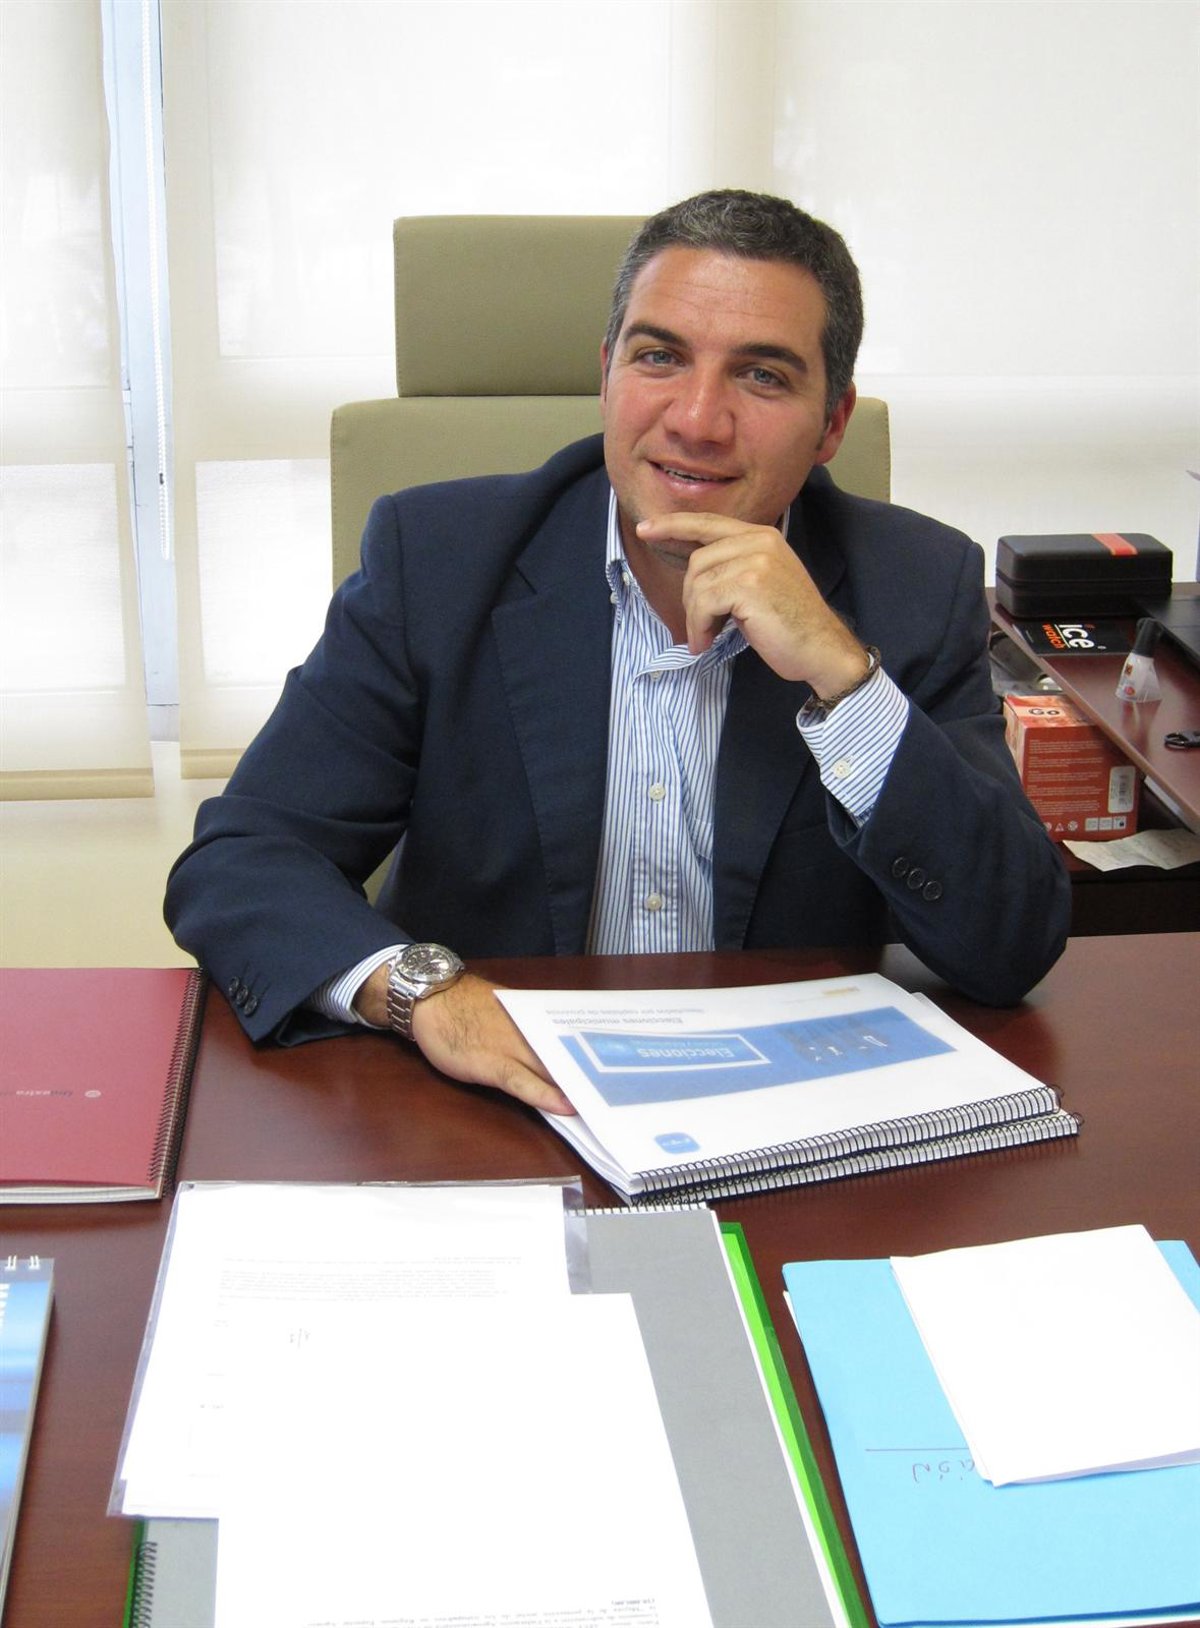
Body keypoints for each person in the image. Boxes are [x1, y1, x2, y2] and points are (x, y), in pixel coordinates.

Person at [166, 189, 1071, 1118]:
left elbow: (1010, 944)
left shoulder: (914, 585)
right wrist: (425, 993)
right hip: (494, 1107)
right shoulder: (436, 561)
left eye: (762, 376)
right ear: (606, 374)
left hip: (783, 1105)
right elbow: (243, 860)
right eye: (659, 357)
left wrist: (846, 684)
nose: (698, 420)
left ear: (832, 423)